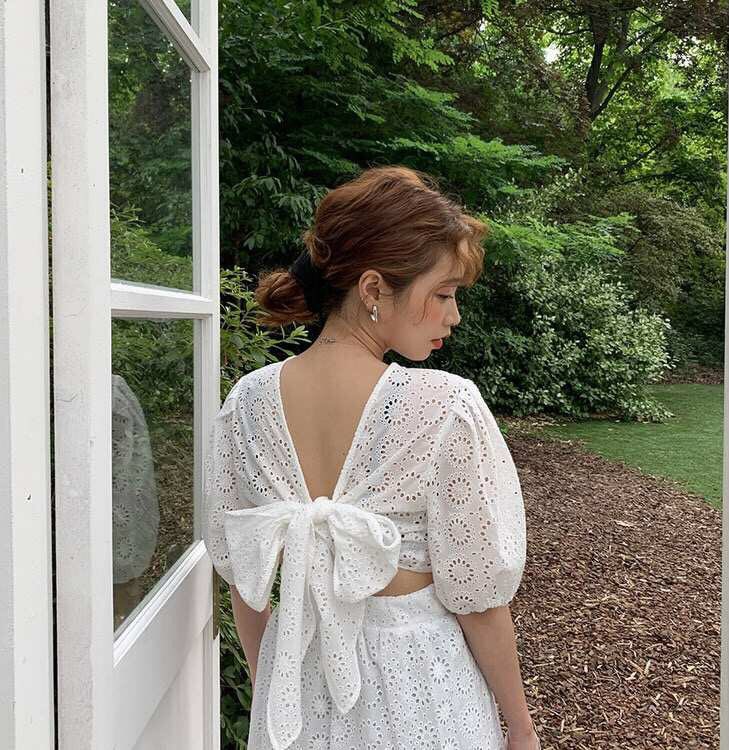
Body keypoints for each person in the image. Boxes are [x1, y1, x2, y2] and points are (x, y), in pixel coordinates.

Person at [202, 165, 541, 750]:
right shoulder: (445, 406)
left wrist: (268, 693)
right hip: (424, 693)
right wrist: (522, 728)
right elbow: (479, 600)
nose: (454, 315)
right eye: (443, 294)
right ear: (373, 289)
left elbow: (245, 580)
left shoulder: (248, 402)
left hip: (297, 690)